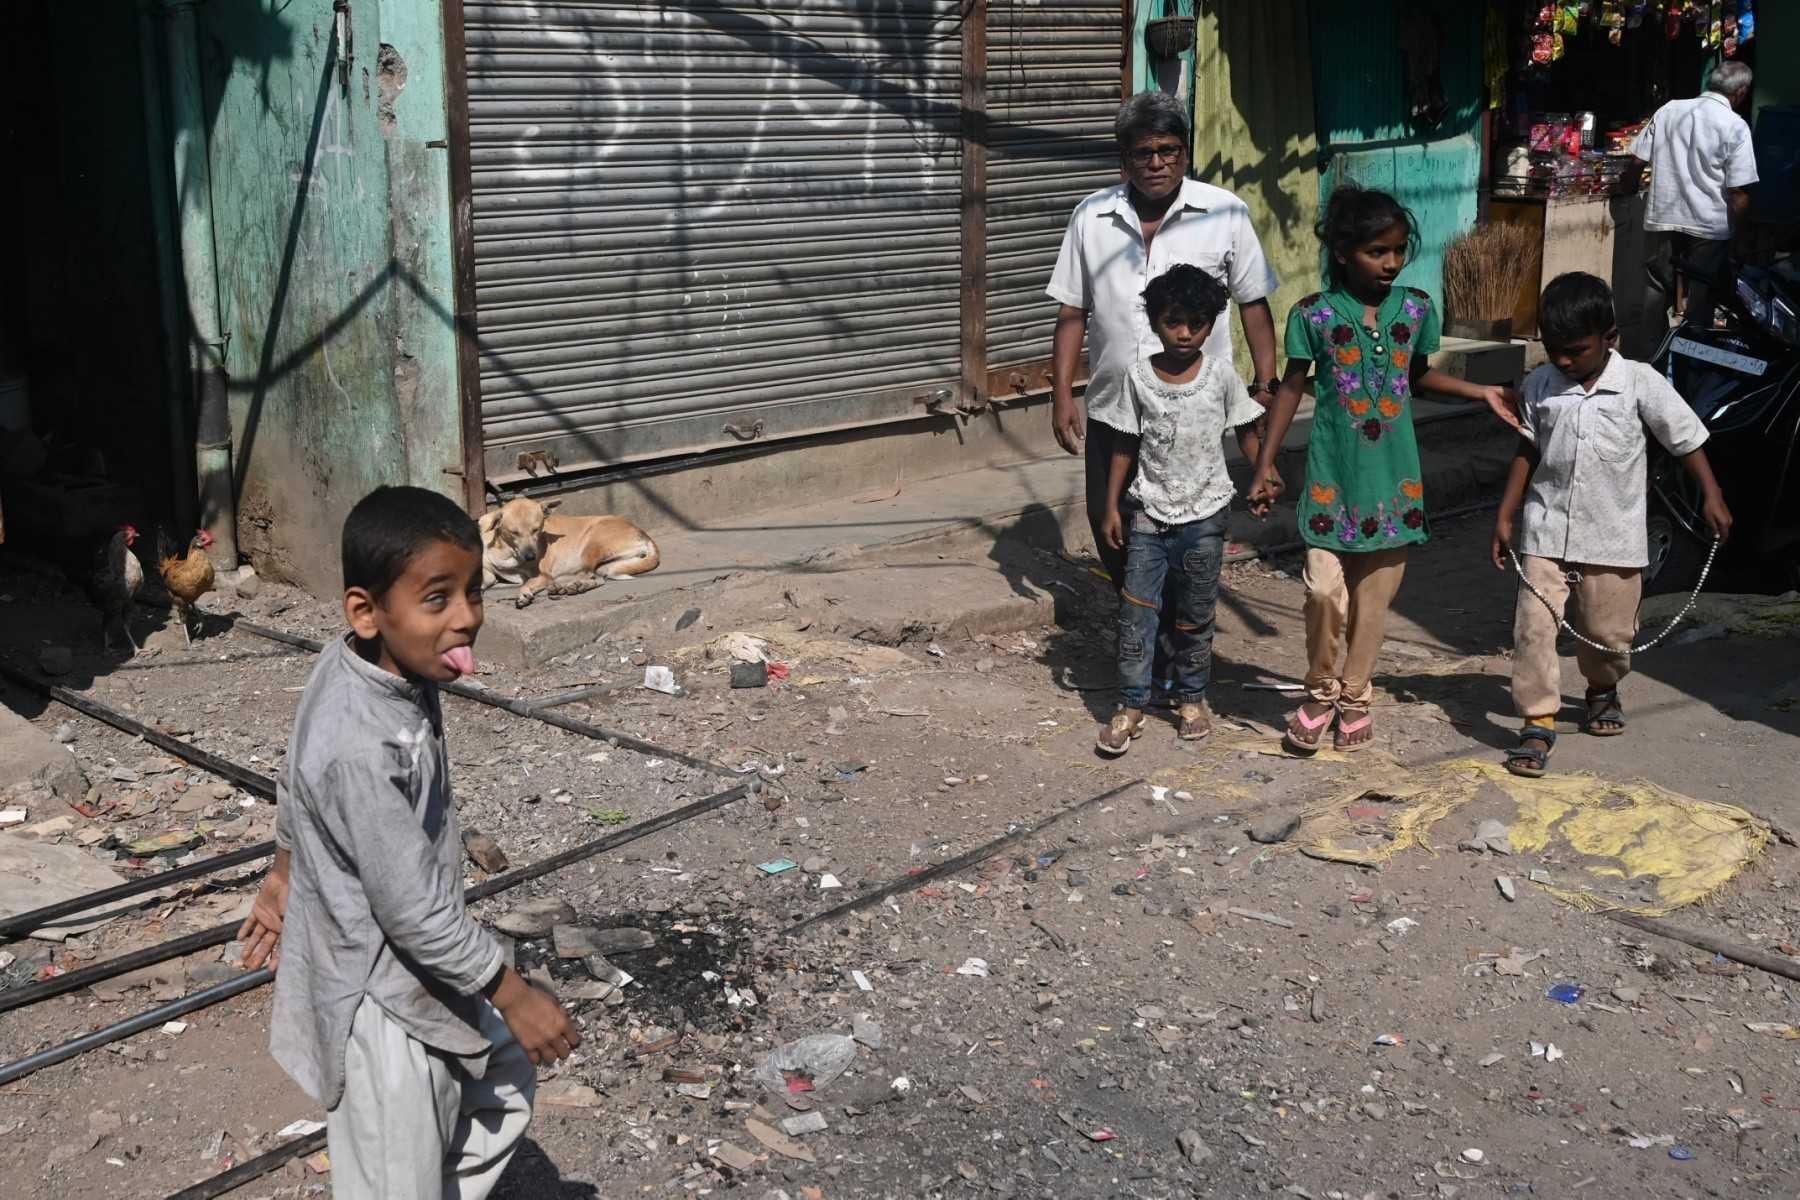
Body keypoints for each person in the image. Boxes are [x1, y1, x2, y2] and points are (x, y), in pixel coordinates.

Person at [236, 486, 579, 1200]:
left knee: (501, 1081)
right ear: (366, 612)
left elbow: (294, 781)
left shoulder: (374, 668)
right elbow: (412, 912)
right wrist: (511, 992)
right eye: (438, 599)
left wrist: (282, 873)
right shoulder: (362, 746)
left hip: (412, 968)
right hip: (380, 997)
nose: (467, 619)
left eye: (474, 591)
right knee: (400, 1162)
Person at [1246, 186, 1519, 754]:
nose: (1392, 263)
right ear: (1344, 252)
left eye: (1397, 250)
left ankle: (1355, 696)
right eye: (1377, 251)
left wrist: (1479, 390)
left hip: (1394, 483)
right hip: (1331, 480)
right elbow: (1294, 387)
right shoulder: (1312, 315)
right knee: (1324, 593)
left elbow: (1414, 375)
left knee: (1374, 604)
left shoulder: (1416, 308)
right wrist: (1265, 463)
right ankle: (1320, 690)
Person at [1046, 90, 1282, 691]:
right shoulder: (1091, 217)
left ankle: (1180, 664)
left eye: (1168, 150)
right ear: (1123, 159)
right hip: (1116, 410)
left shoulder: (1225, 212)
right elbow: (1072, 312)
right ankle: (1145, 648)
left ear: (1185, 153)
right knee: (1115, 534)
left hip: (1199, 413)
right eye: (1142, 152)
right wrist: (1061, 394)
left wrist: (1264, 381)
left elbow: (1254, 303)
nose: (1156, 163)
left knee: (1191, 538)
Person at [1490, 272, 1730, 777]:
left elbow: (1685, 437)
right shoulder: (1540, 384)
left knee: (1607, 632)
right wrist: (1506, 513)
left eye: (1575, 350)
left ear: (1610, 339)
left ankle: (1602, 687)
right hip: (1545, 529)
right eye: (1554, 349)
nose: (1563, 360)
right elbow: (1527, 447)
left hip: (1614, 535)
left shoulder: (1639, 382)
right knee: (1534, 627)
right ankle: (1538, 721)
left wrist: (1711, 494)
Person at [1095, 265, 1265, 755]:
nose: (1185, 332)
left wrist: (1264, 473)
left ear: (1212, 323)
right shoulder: (1138, 377)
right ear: (1154, 322)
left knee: (1194, 612)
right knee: (1137, 613)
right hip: (1149, 510)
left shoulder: (1220, 376)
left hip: (1206, 512)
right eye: (1173, 321)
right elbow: (1125, 444)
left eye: (1196, 321)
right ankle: (1131, 703)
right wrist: (1111, 506)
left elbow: (1246, 429)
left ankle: (1192, 697)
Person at [1630, 61, 1758, 329]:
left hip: (1663, 216)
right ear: (1742, 91)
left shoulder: (1669, 110)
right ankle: (1692, 363)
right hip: (1708, 226)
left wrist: (1626, 186)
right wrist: (1742, 236)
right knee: (1701, 298)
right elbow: (1738, 191)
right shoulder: (1735, 126)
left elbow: (1637, 161)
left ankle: (1653, 362)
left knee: (1656, 290)